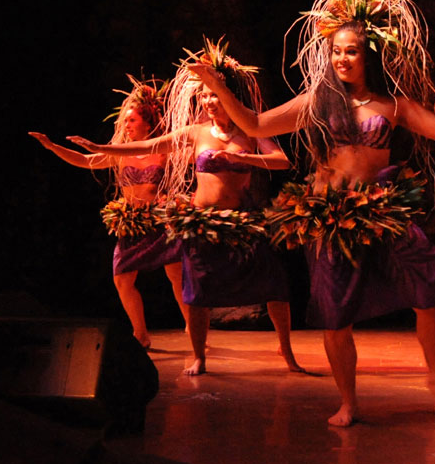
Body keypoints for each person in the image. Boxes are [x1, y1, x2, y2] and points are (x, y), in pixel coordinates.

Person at [190, 0, 435, 426]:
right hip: (329, 213)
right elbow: (255, 125)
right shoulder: (317, 100)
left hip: (383, 208)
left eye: (352, 51)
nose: (342, 59)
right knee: (335, 313)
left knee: (428, 290)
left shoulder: (392, 103)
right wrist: (218, 86)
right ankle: (349, 401)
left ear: (370, 55)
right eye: (336, 51)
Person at [68, 40, 302, 375]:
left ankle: (287, 350)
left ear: (230, 95)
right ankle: (199, 357)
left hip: (242, 220)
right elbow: (149, 143)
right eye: (204, 95)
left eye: (214, 94)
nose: (208, 101)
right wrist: (99, 147)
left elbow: (281, 161)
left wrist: (241, 156)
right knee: (197, 292)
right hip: (202, 222)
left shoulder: (251, 127)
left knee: (275, 285)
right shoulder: (195, 132)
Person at [30, 77, 187, 349]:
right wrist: (53, 147)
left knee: (176, 276)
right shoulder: (119, 153)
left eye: (131, 120)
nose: (125, 125)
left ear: (148, 123)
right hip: (133, 223)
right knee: (122, 278)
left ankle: (191, 325)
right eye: (125, 121)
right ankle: (141, 333)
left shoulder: (163, 150)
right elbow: (86, 160)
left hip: (161, 222)